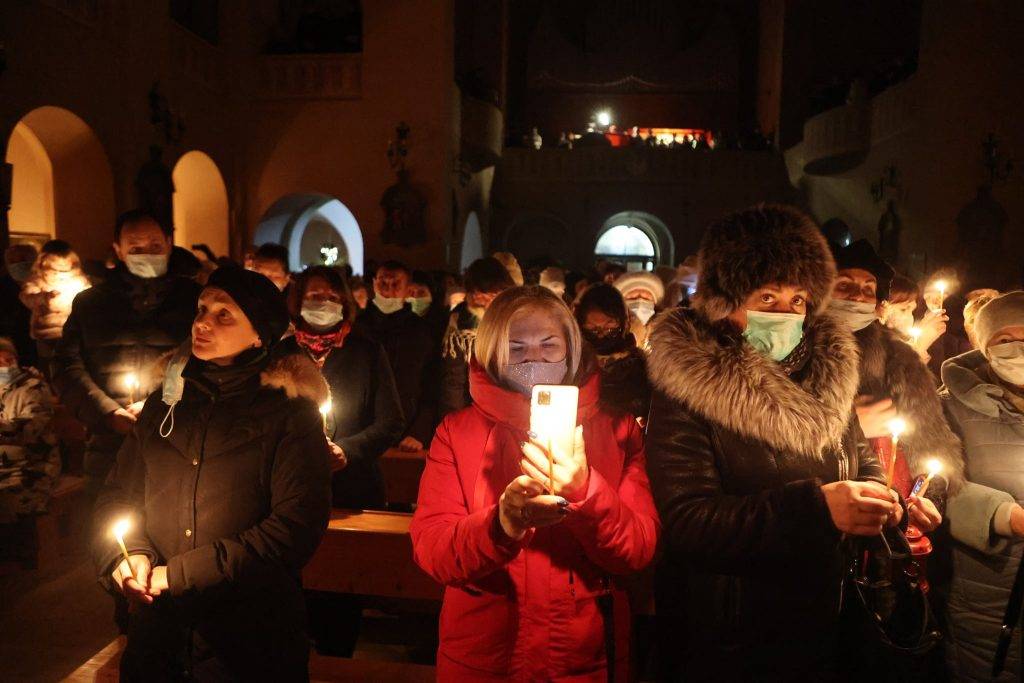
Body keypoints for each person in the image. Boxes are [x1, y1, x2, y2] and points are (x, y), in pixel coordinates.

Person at [645, 205, 902, 679]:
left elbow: (861, 461)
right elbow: (689, 520)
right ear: (727, 303)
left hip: (826, 621)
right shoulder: (688, 386)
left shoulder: (829, 373)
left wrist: (883, 500)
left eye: (797, 301)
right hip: (731, 634)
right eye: (766, 297)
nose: (784, 314)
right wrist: (814, 509)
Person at [92, 266, 331, 681]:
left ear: (260, 333)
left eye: (224, 315)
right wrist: (126, 557)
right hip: (159, 636)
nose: (202, 322)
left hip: (249, 642)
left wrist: (180, 575)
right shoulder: (164, 403)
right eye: (202, 308)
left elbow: (293, 529)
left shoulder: (290, 413)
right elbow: (118, 493)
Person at [411, 286, 659, 681]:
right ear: (493, 352)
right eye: (517, 347)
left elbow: (636, 550)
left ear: (571, 349)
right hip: (486, 659)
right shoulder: (456, 434)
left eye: (549, 345)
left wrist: (585, 491)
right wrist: (501, 525)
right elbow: (434, 551)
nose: (534, 359)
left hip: (582, 658)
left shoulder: (618, 430)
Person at [54, 210, 201, 501]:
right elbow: (66, 365)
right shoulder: (90, 304)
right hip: (109, 445)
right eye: (135, 248)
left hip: (178, 438)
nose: (146, 253)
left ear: (169, 244)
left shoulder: (196, 300)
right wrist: (108, 412)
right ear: (118, 250)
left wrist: (158, 405)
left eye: (155, 246)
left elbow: (207, 364)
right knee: (111, 529)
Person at [830, 240, 963, 504]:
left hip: (894, 503)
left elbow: (928, 436)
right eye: (844, 286)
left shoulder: (897, 356)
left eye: (868, 289)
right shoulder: (794, 354)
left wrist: (926, 495)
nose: (858, 296)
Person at [938, 291, 1024, 681]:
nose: (1018, 347)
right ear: (984, 346)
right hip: (989, 594)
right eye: (1005, 339)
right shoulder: (950, 405)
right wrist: (1006, 515)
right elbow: (934, 486)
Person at [283, 266, 404, 509]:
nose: (324, 303)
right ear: (299, 300)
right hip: (291, 486)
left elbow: (391, 421)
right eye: (315, 297)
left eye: (333, 298)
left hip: (354, 487)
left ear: (344, 302)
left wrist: (346, 450)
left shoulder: (366, 351)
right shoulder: (282, 355)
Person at [355, 260, 436, 453]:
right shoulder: (358, 326)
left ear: (408, 289)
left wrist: (419, 432)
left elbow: (431, 385)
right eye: (383, 282)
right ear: (374, 283)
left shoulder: (421, 331)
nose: (388, 289)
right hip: (360, 430)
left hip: (406, 434)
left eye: (396, 284)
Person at [0, 336, 60, 545]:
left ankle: (25, 554)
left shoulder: (33, 388)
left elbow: (30, 428)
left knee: (7, 496)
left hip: (33, 467)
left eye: (8, 360)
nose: (5, 367)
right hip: (4, 466)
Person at [439, 257, 514, 417]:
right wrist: (456, 420)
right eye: (481, 297)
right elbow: (454, 382)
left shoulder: (515, 321)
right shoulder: (460, 325)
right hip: (471, 408)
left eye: (493, 296)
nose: (487, 305)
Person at [575, 283, 650, 421]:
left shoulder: (642, 368)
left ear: (625, 324)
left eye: (609, 328)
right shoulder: (572, 367)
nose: (601, 335)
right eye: (593, 329)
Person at [18, 240, 91, 372]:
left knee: (71, 364)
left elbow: (89, 294)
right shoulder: (36, 282)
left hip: (72, 332)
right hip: (46, 334)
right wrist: (44, 298)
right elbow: (26, 297)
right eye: (55, 270)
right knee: (49, 365)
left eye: (65, 269)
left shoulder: (79, 280)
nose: (61, 274)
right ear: (43, 264)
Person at [0, 243, 39, 368]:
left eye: (23, 259)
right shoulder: (2, 288)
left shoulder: (47, 284)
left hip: (43, 348)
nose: (17, 265)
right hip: (11, 349)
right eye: (12, 261)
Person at [614, 271, 664, 348]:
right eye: (632, 298)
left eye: (646, 298)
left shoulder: (665, 336)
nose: (640, 302)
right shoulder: (612, 333)